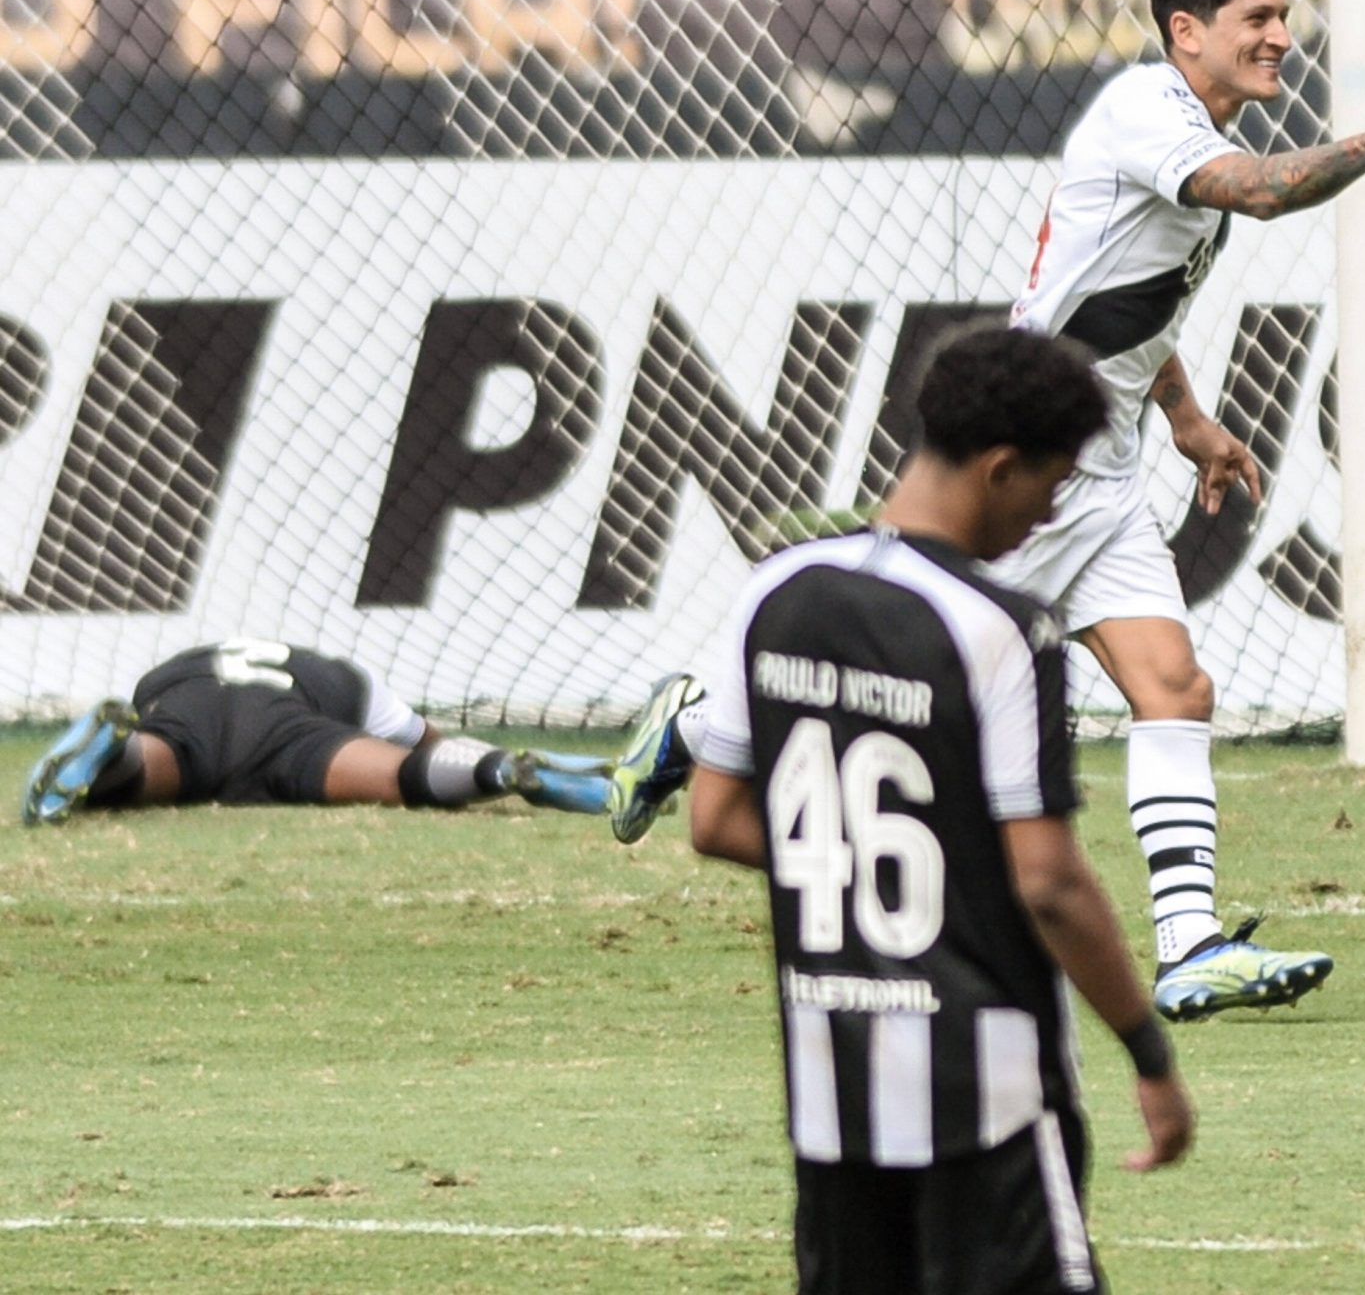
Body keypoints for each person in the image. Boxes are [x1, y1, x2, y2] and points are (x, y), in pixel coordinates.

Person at [976, 0, 1365, 1019]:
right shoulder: (1147, 111)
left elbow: (1127, 301)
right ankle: (709, 720)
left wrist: (1185, 418)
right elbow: (1260, 191)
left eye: (1282, 16)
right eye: (1257, 18)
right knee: (890, 673)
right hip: (1023, 466)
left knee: (1174, 689)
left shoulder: (1185, 125)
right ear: (1186, 29)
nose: (1279, 37)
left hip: (1100, 469)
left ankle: (1191, 946)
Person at [685, 327, 1192, 1295]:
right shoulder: (998, 630)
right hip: (988, 1091)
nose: (1046, 519)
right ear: (1000, 469)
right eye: (1048, 488)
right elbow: (1045, 881)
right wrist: (1146, 1048)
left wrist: (875, 867)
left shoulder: (772, 592)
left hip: (832, 1090)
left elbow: (713, 820)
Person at [20, 638, 610, 824]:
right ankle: (506, 771)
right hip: (291, 727)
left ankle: (107, 752)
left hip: (186, 696)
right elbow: (421, 741)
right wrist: (477, 756)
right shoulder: (345, 678)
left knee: (153, 763)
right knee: (403, 777)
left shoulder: (175, 667)